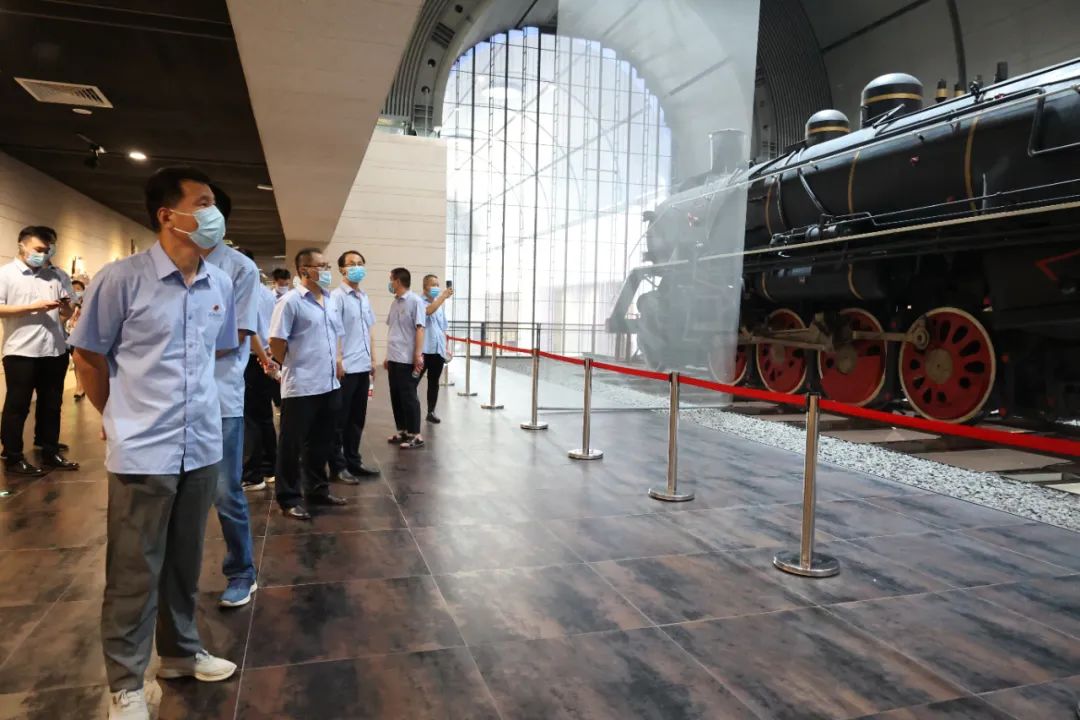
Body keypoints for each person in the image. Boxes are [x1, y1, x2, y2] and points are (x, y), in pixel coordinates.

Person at [70, 167, 238, 720]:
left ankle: (180, 652)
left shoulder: (218, 284)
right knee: (133, 569)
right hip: (144, 448)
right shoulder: (122, 279)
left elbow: (214, 355)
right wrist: (116, 415)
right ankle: (125, 683)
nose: (214, 214)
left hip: (202, 444)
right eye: (204, 202)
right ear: (168, 215)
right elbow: (89, 356)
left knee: (185, 561)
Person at [199, 184, 263, 609]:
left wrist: (174, 353)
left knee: (225, 491)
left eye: (207, 207)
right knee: (167, 495)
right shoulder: (151, 269)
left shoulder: (239, 269)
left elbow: (236, 334)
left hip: (220, 396)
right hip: (165, 400)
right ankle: (169, 576)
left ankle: (242, 570)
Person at [269, 248, 348, 521]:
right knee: (291, 445)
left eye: (327, 265)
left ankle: (317, 489)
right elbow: (276, 341)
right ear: (304, 270)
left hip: (329, 383)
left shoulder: (330, 300)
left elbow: (335, 335)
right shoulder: (290, 301)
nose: (326, 270)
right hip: (301, 386)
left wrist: (337, 359)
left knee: (321, 442)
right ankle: (289, 497)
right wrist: (293, 364)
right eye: (320, 266)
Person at [0, 226, 79, 476]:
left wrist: (66, 308)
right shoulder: (5, 274)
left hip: (54, 348)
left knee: (52, 403)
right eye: (39, 249)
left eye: (48, 250)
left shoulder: (56, 275)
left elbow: (68, 311)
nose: (43, 255)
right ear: (22, 245)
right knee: (18, 404)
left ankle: (49, 450)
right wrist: (31, 307)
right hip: (21, 350)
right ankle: (13, 456)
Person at [330, 251, 379, 482]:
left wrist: (373, 360)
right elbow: (334, 332)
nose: (357, 267)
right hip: (346, 368)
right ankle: (338, 466)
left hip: (362, 366)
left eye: (360, 263)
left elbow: (369, 330)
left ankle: (353, 461)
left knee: (357, 419)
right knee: (339, 421)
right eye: (352, 264)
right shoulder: (336, 297)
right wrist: (338, 360)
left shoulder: (363, 297)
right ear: (342, 269)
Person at [240, 249, 278, 491]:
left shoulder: (245, 292)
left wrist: (264, 358)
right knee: (264, 416)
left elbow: (249, 329)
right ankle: (270, 468)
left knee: (251, 418)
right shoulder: (266, 292)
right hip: (266, 357)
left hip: (255, 358)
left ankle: (253, 475)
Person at [384, 267, 426, 449]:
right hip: (394, 357)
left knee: (409, 396)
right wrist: (388, 356)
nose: (390, 283)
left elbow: (420, 329)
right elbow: (393, 330)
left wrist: (417, 354)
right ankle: (403, 430)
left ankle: (416, 434)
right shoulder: (395, 303)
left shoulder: (415, 301)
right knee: (396, 395)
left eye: (391, 279)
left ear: (398, 281)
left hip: (407, 358)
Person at [420, 274, 453, 424]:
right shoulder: (419, 302)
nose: (436, 287)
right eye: (433, 284)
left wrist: (446, 348)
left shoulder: (439, 306)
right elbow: (428, 311)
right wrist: (443, 297)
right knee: (412, 383)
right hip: (423, 351)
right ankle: (409, 412)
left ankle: (431, 411)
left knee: (434, 383)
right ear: (425, 286)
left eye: (438, 285)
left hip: (437, 350)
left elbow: (442, 328)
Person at [68, 279, 86, 401]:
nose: (75, 291)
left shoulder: (86, 305)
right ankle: (79, 386)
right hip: (67, 336)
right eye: (73, 289)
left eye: (78, 289)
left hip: (80, 336)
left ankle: (80, 387)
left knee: (78, 361)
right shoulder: (67, 304)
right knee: (74, 362)